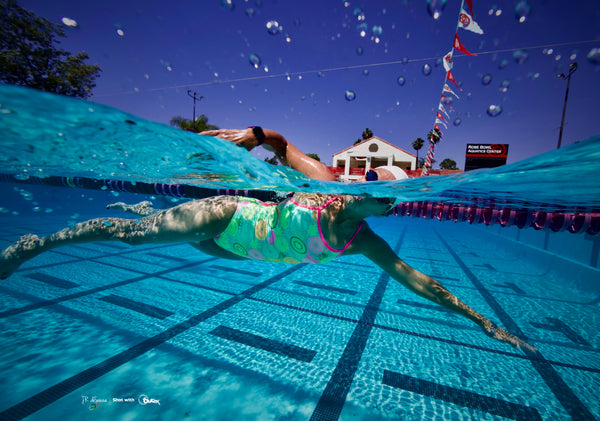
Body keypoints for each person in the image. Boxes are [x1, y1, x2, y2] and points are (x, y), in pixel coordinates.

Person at [0, 127, 536, 352]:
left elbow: (421, 282)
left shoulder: (366, 240)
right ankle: (37, 244)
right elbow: (282, 143)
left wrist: (482, 320)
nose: (359, 186)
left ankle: (147, 211)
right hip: (225, 215)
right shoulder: (326, 182)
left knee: (153, 228)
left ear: (386, 207)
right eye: (363, 181)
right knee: (133, 239)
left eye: (375, 190)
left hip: (225, 248)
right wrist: (251, 137)